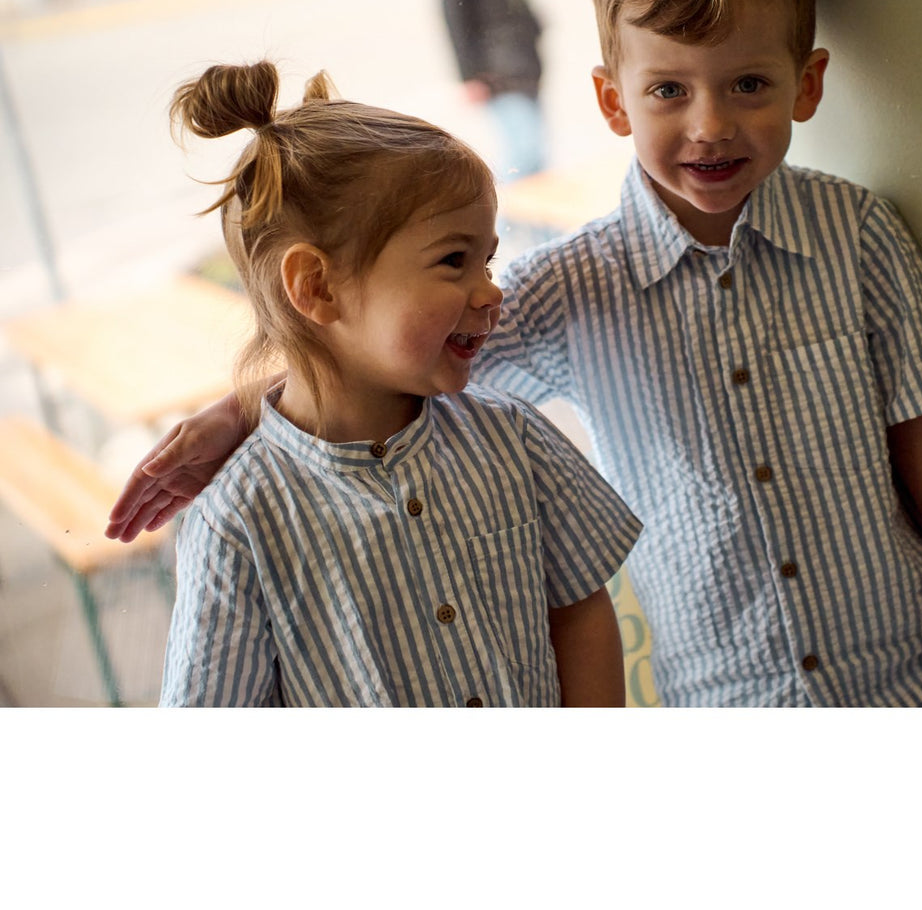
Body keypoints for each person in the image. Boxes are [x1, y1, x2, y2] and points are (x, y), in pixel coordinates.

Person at [110, 0, 922, 708]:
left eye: (748, 84)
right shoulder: (571, 287)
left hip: (906, 671)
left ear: (807, 85)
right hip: (727, 698)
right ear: (612, 101)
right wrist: (242, 412)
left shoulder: (856, 232)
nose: (709, 125)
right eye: (668, 90)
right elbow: (389, 353)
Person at [152, 61, 640, 707]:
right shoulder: (237, 525)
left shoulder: (514, 437)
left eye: (487, 259)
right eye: (454, 260)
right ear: (317, 287)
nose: (491, 291)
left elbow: (578, 609)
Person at [438, 0, 546, 179]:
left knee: (537, 154)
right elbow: (453, 11)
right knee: (523, 153)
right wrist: (468, 75)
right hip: (493, 65)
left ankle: (528, 208)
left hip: (525, 55)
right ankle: (502, 208)